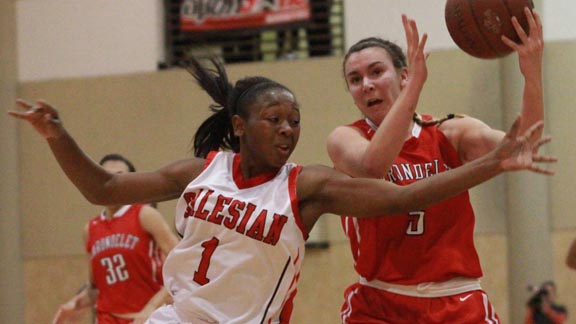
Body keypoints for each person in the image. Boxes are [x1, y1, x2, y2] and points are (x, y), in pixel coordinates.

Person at [10, 52, 553, 323]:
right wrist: (57, 135)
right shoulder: (200, 172)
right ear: (241, 126)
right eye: (275, 119)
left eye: (295, 121)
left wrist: (495, 163)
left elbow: (404, 197)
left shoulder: (306, 186)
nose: (289, 130)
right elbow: (103, 187)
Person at [327, 8, 545, 324]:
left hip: (459, 300)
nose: (367, 84)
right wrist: (413, 90)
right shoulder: (345, 139)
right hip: (381, 303)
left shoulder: (448, 132)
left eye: (376, 72)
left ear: (403, 75)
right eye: (355, 79)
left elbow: (525, 144)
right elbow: (373, 166)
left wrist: (531, 73)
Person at [51, 154, 180, 324]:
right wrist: (75, 303)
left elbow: (182, 266)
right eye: (104, 175)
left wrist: (151, 307)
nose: (111, 182)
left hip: (145, 318)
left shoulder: (145, 215)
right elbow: (96, 287)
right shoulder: (90, 229)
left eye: (118, 176)